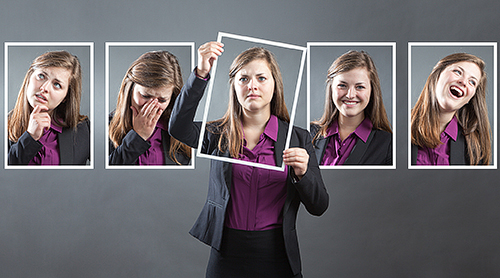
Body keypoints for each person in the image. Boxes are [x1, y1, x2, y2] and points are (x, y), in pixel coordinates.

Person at [169, 42, 329, 278]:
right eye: (243, 78)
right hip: (226, 256)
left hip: (277, 257)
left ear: (275, 85)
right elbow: (177, 127)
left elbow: (319, 206)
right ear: (234, 86)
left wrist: (303, 174)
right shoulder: (218, 135)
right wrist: (200, 74)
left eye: (261, 78)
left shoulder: (298, 138)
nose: (252, 85)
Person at [8, 50, 90, 165]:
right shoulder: (5, 124)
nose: (44, 88)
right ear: (29, 77)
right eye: (41, 76)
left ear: (66, 97)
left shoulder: (84, 130)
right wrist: (29, 138)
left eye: (57, 85)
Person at [108, 51, 191, 165]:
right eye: (145, 96)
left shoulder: (181, 134)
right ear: (130, 89)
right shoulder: (104, 127)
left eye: (162, 100)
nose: (153, 105)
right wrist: (137, 137)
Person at [310, 50, 392, 165]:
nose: (350, 95)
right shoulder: (309, 134)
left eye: (360, 87)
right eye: (342, 85)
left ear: (372, 90)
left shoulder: (388, 145)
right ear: (331, 88)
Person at [411, 53, 491, 165]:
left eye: (472, 82)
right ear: (437, 75)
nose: (463, 82)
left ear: (470, 98)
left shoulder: (475, 149)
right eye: (458, 72)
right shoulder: (399, 129)